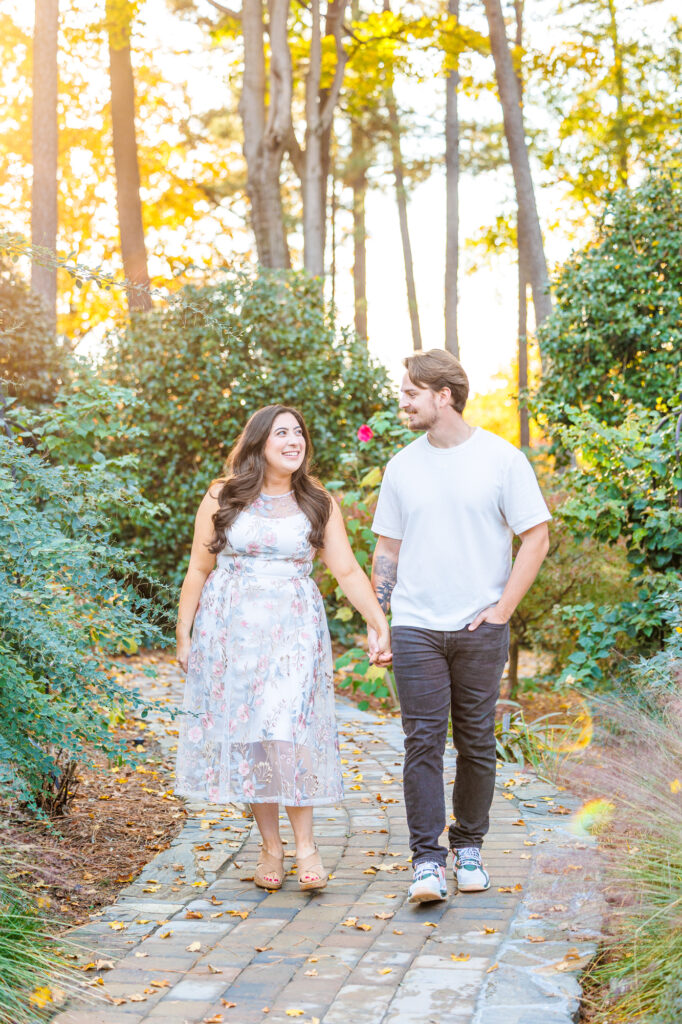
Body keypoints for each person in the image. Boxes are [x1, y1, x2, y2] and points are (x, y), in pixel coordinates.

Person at [175, 405, 391, 892]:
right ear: (259, 443)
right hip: (233, 634)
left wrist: (378, 620)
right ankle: (270, 847)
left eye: (299, 432)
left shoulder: (318, 501)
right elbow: (198, 569)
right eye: (281, 433)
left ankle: (307, 845)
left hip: (294, 632)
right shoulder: (222, 496)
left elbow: (348, 571)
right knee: (255, 739)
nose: (293, 440)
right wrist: (184, 630)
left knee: (288, 733)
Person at [369, 349, 550, 903]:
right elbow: (387, 549)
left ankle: (467, 849)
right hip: (417, 626)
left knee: (475, 742)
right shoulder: (402, 466)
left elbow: (536, 536)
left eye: (412, 391)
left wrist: (501, 611)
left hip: (479, 628)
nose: (403, 400)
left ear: (443, 395)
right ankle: (427, 863)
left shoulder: (501, 460)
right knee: (422, 743)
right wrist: (381, 618)